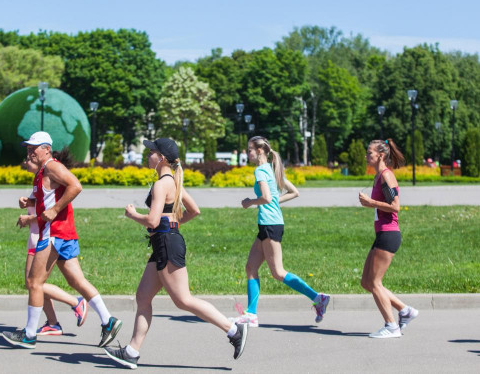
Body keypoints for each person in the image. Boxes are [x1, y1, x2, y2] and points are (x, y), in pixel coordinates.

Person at [104, 137, 248, 369]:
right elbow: (194, 210)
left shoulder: (163, 184)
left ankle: (234, 330)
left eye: (151, 151)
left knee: (183, 300)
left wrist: (133, 215)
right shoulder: (173, 181)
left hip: (168, 244)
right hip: (164, 242)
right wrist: (172, 224)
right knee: (143, 297)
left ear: (160, 157)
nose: (147, 155)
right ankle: (131, 351)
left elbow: (151, 220)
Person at [2, 132, 122, 349]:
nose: (30, 151)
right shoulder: (42, 172)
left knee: (34, 282)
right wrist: (28, 200)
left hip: (54, 234)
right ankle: (108, 321)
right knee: (77, 281)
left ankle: (29, 334)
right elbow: (48, 196)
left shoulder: (51, 166)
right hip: (64, 233)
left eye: (34, 148)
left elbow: (76, 186)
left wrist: (55, 210)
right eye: (28, 148)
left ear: (47, 149)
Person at [232, 136, 330, 328]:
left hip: (270, 224)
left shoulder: (261, 170)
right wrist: (273, 201)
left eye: (250, 149)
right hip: (267, 225)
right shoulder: (271, 169)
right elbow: (294, 192)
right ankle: (251, 314)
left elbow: (267, 198)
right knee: (251, 268)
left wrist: (250, 202)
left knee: (278, 272)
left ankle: (318, 298)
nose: (247, 153)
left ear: (259, 151)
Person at [16, 155, 88, 336]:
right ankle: (53, 323)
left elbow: (48, 213)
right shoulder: (39, 180)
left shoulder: (48, 177)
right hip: (38, 235)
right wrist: (28, 202)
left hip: (43, 236)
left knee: (33, 283)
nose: (26, 162)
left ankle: (75, 302)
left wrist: (29, 218)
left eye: (29, 159)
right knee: (35, 284)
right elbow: (41, 208)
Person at [358, 139, 418, 338]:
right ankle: (405, 310)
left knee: (375, 283)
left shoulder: (386, 176)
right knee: (366, 282)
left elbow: (395, 205)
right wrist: (372, 203)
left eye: (369, 153)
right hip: (382, 234)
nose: (367, 156)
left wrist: (370, 202)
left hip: (389, 234)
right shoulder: (378, 176)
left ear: (380, 156)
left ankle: (391, 326)